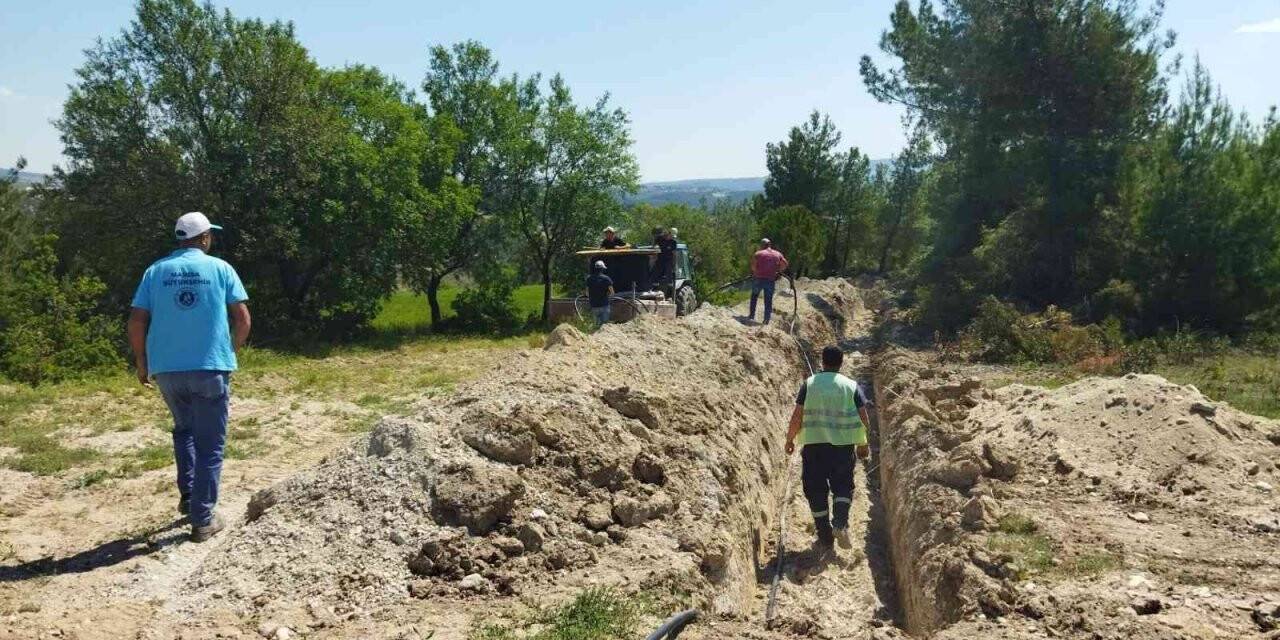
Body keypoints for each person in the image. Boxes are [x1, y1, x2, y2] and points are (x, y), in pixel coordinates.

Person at [128, 212, 251, 543]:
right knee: (210, 444)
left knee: (184, 430)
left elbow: (137, 320)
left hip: (167, 370)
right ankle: (203, 520)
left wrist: (141, 361)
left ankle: (188, 497)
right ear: (205, 237)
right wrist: (230, 352)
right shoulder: (221, 269)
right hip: (209, 368)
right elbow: (242, 319)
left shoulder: (155, 271)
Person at [784, 346, 872, 550]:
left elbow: (797, 416)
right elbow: (863, 417)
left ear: (822, 362)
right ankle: (840, 523)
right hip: (843, 448)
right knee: (843, 485)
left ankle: (824, 533)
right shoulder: (851, 386)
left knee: (815, 489)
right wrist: (863, 443)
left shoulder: (809, 384)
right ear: (841, 363)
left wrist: (790, 439)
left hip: (814, 447)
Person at [748, 238, 789, 324]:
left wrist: (755, 272)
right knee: (768, 300)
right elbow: (785, 264)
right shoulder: (777, 254)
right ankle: (766, 319)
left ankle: (751, 316)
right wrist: (778, 271)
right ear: (770, 245)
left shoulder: (758, 254)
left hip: (758, 278)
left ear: (762, 245)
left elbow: (753, 265)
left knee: (754, 296)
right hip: (770, 279)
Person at [585, 260, 614, 326]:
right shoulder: (607, 279)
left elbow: (587, 293)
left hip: (594, 306)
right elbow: (612, 293)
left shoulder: (589, 279)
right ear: (602, 269)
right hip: (604, 305)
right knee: (604, 326)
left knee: (596, 325)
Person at [651, 227, 677, 294]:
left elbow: (674, 254)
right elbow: (654, 246)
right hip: (660, 260)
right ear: (669, 233)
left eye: (673, 236)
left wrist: (674, 265)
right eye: (671, 236)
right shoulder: (660, 239)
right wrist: (654, 247)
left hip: (669, 261)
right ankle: (654, 289)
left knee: (669, 275)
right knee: (655, 274)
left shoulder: (673, 242)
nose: (672, 237)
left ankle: (670, 292)